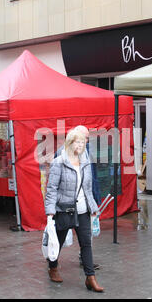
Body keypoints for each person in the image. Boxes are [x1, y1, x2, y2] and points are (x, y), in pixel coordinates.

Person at [45, 129, 103, 292]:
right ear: (69, 143)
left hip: (83, 209)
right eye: (77, 142)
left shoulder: (85, 160)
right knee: (59, 242)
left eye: (83, 142)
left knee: (86, 243)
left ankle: (90, 278)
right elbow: (52, 188)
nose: (81, 145)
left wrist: (93, 207)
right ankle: (53, 267)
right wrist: (50, 211)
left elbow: (88, 188)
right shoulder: (59, 162)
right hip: (64, 209)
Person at [54, 125, 101, 270]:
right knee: (60, 235)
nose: (86, 140)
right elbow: (55, 183)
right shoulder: (61, 154)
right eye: (84, 137)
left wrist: (94, 200)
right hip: (66, 205)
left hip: (83, 204)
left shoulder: (86, 152)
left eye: (87, 138)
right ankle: (52, 261)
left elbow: (91, 177)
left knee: (86, 239)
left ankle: (89, 272)